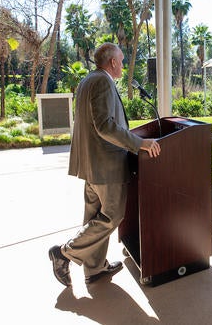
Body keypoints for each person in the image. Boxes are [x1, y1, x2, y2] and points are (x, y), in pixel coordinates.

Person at [48, 43, 161, 288]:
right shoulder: (102, 82)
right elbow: (105, 126)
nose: (122, 64)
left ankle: (95, 268)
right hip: (106, 166)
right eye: (121, 60)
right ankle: (64, 253)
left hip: (92, 166)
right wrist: (140, 143)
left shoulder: (88, 80)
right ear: (112, 62)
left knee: (93, 217)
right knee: (111, 216)